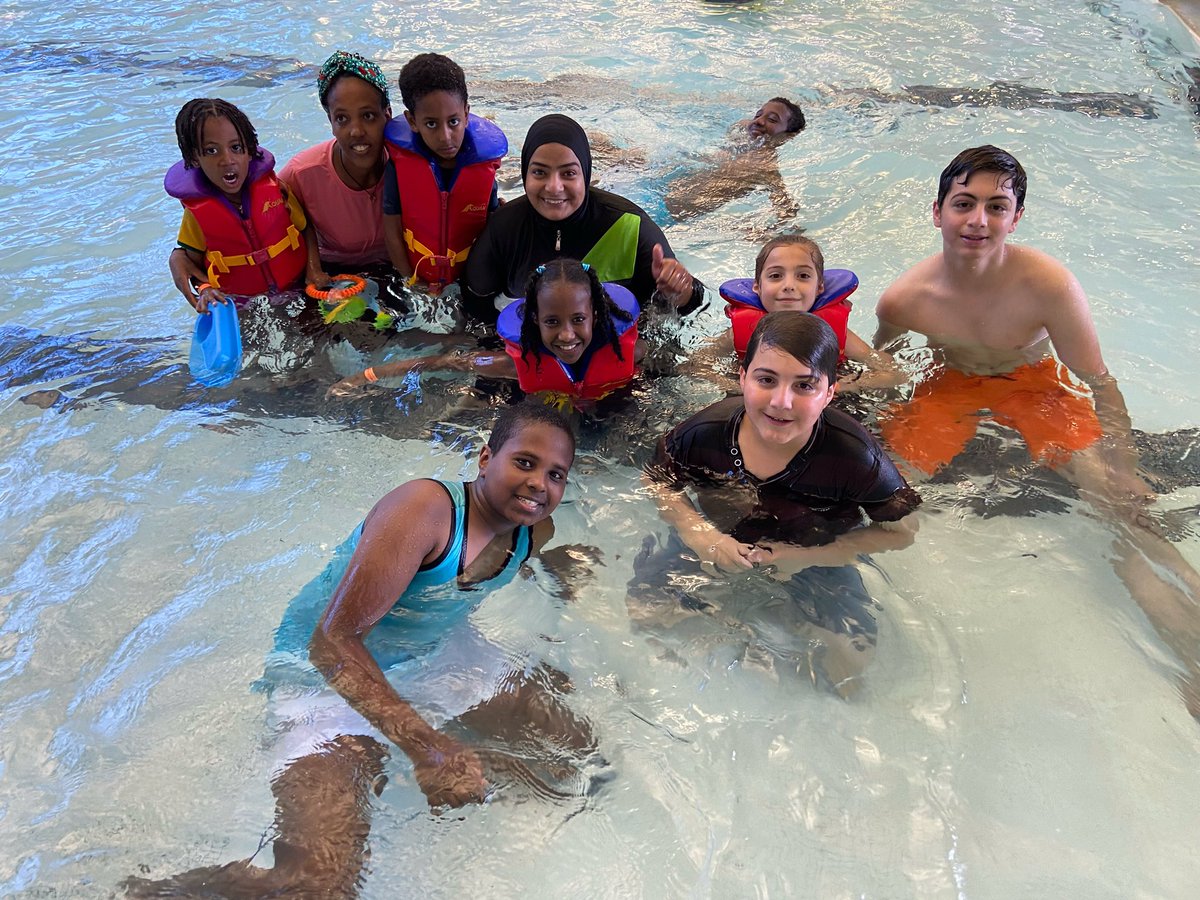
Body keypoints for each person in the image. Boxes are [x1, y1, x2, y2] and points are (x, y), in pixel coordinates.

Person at [124, 402, 597, 897]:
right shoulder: (425, 510)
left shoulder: (534, 532)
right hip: (326, 681)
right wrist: (427, 745)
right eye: (525, 462)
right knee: (317, 884)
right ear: (484, 459)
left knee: (576, 754)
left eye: (556, 474)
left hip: (438, 655)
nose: (539, 484)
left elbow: (480, 589)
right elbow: (330, 644)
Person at [873, 144, 1200, 714]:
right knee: (881, 494)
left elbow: (1099, 382)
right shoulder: (905, 299)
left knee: (1121, 512)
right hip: (949, 385)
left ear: (1016, 218)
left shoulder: (1047, 284)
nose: (978, 220)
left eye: (996, 206)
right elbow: (882, 374)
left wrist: (1122, 469)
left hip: (1036, 385)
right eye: (964, 203)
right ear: (938, 211)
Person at [638, 312, 920, 692]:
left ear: (830, 392)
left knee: (851, 664)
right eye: (766, 380)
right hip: (719, 539)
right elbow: (656, 480)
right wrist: (702, 535)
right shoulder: (704, 433)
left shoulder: (855, 456)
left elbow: (902, 532)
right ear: (742, 378)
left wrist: (802, 557)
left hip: (814, 550)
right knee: (644, 615)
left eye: (804, 386)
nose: (781, 402)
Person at [461, 113, 705, 322]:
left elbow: (689, 304)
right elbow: (475, 310)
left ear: (585, 175)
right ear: (525, 173)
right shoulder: (503, 229)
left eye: (568, 173)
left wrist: (680, 290)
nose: (554, 187)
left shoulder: (628, 226)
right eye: (539, 172)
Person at [331, 259, 641, 409]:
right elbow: (441, 362)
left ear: (595, 316)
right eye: (552, 322)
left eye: (578, 320)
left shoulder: (629, 351)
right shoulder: (513, 365)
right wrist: (362, 378)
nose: (567, 335)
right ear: (534, 322)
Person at [693, 234, 903, 391]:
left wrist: (842, 386)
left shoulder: (834, 334)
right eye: (776, 276)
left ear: (819, 286)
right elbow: (694, 366)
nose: (789, 285)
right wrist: (739, 388)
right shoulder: (740, 333)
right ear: (758, 286)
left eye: (802, 276)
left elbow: (893, 374)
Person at [165, 98, 309, 312]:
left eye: (236, 147)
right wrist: (205, 288)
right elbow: (191, 266)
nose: (227, 160)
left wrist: (314, 270)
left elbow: (305, 230)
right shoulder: (196, 215)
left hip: (297, 287)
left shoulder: (277, 189)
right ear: (195, 158)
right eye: (212, 151)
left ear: (250, 151)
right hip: (241, 305)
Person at [382, 53, 506, 293]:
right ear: (412, 121)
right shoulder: (398, 167)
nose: (445, 137)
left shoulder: (483, 167)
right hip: (417, 275)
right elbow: (392, 231)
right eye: (431, 124)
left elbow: (490, 226)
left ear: (467, 114)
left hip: (468, 277)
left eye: (453, 122)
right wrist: (411, 282)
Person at [279, 51, 394, 286]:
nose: (356, 131)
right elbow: (247, 213)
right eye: (342, 118)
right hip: (333, 277)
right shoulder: (301, 176)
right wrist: (183, 254)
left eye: (368, 116)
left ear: (388, 115)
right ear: (330, 121)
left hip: (395, 274)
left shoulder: (411, 165)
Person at [664, 96, 805, 221]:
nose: (759, 121)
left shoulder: (766, 168)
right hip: (665, 185)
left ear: (788, 136)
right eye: (758, 115)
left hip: (669, 213)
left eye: (772, 119)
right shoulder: (742, 141)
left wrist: (761, 231)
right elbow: (742, 124)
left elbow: (788, 212)